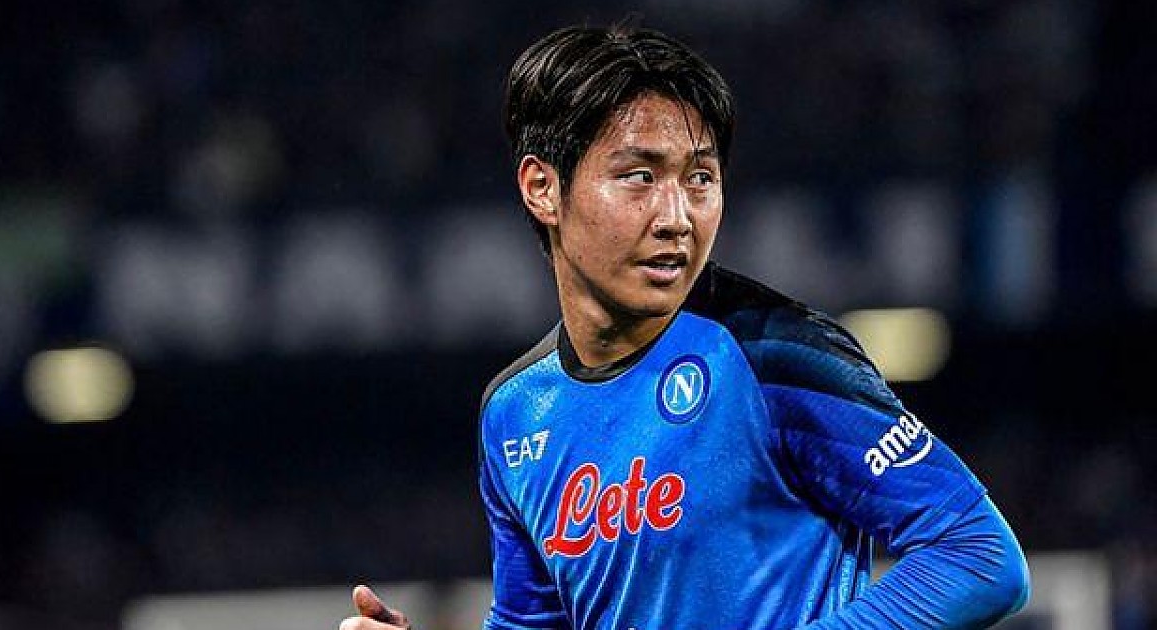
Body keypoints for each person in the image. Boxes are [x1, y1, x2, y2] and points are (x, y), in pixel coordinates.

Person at [341, 22, 1030, 630]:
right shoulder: (514, 412)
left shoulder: (775, 353)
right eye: (639, 176)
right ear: (543, 188)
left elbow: (978, 553)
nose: (677, 217)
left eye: (700, 178)